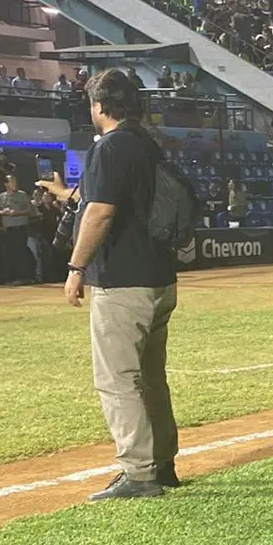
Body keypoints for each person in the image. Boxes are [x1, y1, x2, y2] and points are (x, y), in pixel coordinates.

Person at [38, 68, 180, 500]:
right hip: (158, 276)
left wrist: (76, 267)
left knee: (118, 379)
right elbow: (109, 197)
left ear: (100, 106)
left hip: (122, 279)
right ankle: (162, 464)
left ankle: (138, 473)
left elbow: (101, 213)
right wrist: (68, 196)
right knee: (151, 376)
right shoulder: (146, 144)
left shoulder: (110, 146)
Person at [0, 172, 37, 283]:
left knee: (21, 252)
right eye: (12, 182)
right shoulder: (1, 197)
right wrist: (2, 212)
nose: (15, 184)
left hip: (20, 227)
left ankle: (24, 277)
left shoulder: (22, 195)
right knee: (10, 253)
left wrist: (17, 212)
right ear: (6, 184)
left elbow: (29, 210)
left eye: (15, 181)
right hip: (7, 229)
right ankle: (13, 277)